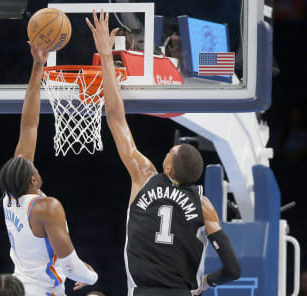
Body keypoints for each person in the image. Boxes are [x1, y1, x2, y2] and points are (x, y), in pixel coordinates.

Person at [86, 10, 241, 296]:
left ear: (168, 169)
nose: (165, 155)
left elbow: (115, 117)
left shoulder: (144, 176)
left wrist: (107, 56)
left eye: (169, 153)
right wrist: (208, 282)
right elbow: (234, 270)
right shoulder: (203, 204)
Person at [0, 42, 98, 296]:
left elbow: (29, 125)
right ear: (33, 180)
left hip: (21, 287)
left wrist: (38, 66)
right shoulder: (46, 207)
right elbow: (69, 265)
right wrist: (91, 275)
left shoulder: (11, 196)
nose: (33, 164)